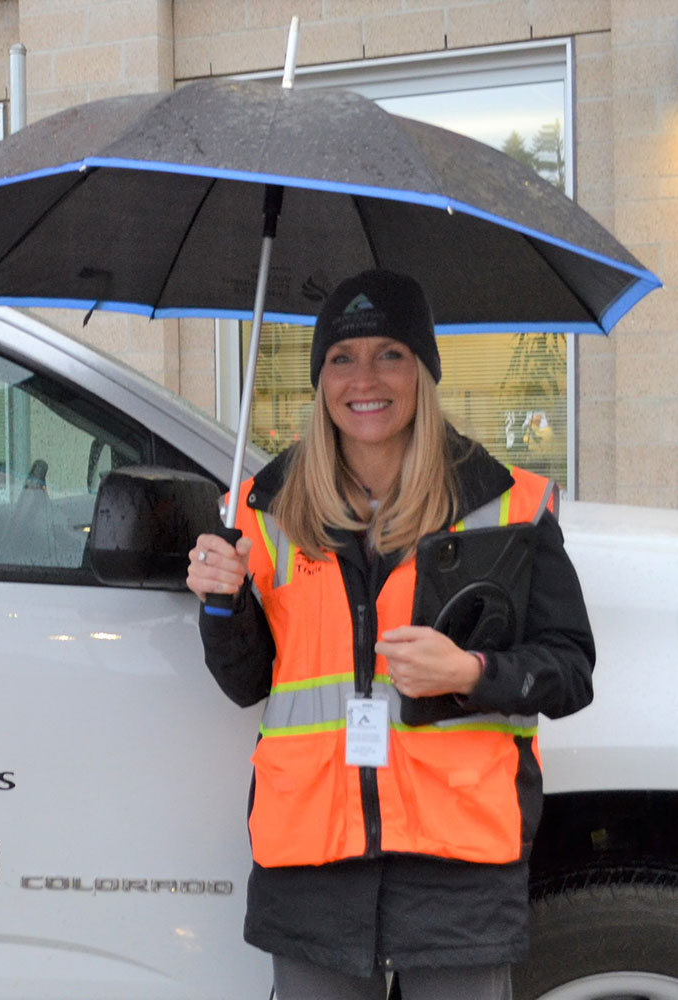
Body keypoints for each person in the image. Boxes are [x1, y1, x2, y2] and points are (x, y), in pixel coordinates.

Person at [185, 269, 594, 1000]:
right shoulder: (261, 509)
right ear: (318, 380)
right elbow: (247, 682)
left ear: (425, 372)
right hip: (312, 858)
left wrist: (470, 672)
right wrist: (222, 603)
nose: (364, 379)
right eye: (342, 358)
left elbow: (569, 670)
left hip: (459, 859)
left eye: (390, 355)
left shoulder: (508, 505)